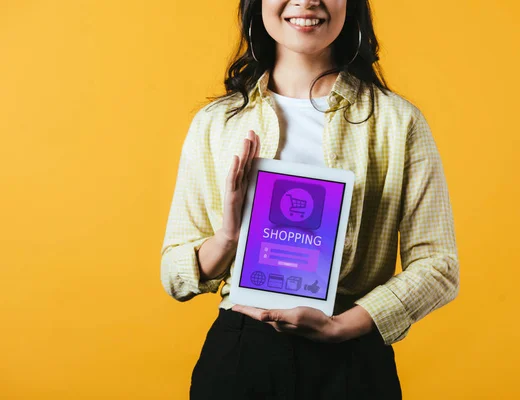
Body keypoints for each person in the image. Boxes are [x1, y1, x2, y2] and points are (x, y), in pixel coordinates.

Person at [160, 0, 460, 399]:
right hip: (242, 355)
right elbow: (174, 274)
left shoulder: (397, 121)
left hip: (352, 359)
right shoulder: (217, 123)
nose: (306, 1)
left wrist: (344, 326)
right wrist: (229, 235)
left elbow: (439, 266)